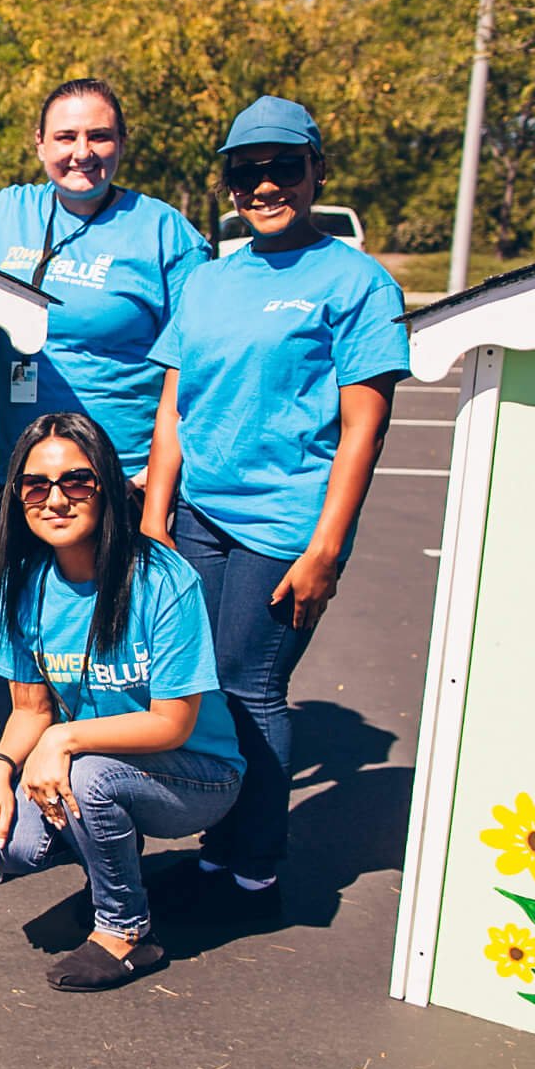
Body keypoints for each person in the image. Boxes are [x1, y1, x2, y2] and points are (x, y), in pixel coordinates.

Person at [140, 95, 408, 923]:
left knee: (251, 688)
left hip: (287, 527)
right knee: (197, 686)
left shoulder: (356, 281)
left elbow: (366, 425)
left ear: (317, 170)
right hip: (198, 520)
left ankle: (252, 871)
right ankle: (220, 846)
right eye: (246, 172)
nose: (264, 186)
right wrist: (156, 517)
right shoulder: (210, 279)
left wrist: (326, 549)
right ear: (227, 183)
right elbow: (174, 406)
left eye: (282, 167)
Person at [0, 413, 242, 989]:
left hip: (199, 773)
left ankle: (127, 932)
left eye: (77, 482)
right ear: (18, 497)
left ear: (107, 487)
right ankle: (111, 859)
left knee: (88, 780)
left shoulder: (164, 579)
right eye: (36, 486)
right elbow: (29, 711)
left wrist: (63, 739)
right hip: (99, 761)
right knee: (13, 844)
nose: (56, 500)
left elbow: (172, 723)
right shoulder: (23, 585)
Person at [0, 78, 209, 485]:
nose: (82, 152)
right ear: (40, 142)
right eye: (66, 137)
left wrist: (157, 475)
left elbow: (197, 367)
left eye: (99, 137)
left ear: (122, 143)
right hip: (16, 478)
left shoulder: (166, 234)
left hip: (121, 480)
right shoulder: (0, 214)